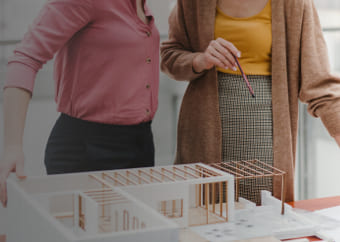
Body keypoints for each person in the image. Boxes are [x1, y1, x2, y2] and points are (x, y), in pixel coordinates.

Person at [161, 0, 340, 203]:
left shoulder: (295, 4)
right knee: (202, 218)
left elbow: (320, 82)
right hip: (203, 136)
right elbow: (169, 56)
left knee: (264, 219)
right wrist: (201, 60)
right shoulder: (192, 3)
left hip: (266, 139)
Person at [0, 0, 160, 207]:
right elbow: (25, 58)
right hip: (88, 150)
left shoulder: (141, 5)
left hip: (140, 145)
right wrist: (12, 146)